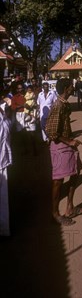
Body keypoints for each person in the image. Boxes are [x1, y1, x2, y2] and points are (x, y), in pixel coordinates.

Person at [45, 78, 82, 226]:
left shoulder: (64, 104)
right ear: (66, 89)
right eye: (71, 86)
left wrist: (71, 140)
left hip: (67, 144)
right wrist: (69, 141)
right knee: (58, 181)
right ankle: (55, 214)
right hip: (60, 146)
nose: (73, 88)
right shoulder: (58, 106)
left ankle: (70, 208)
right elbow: (51, 131)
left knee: (76, 172)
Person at [0, 89, 12, 236]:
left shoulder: (4, 112)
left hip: (3, 161)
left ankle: (3, 230)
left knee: (3, 199)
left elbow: (7, 133)